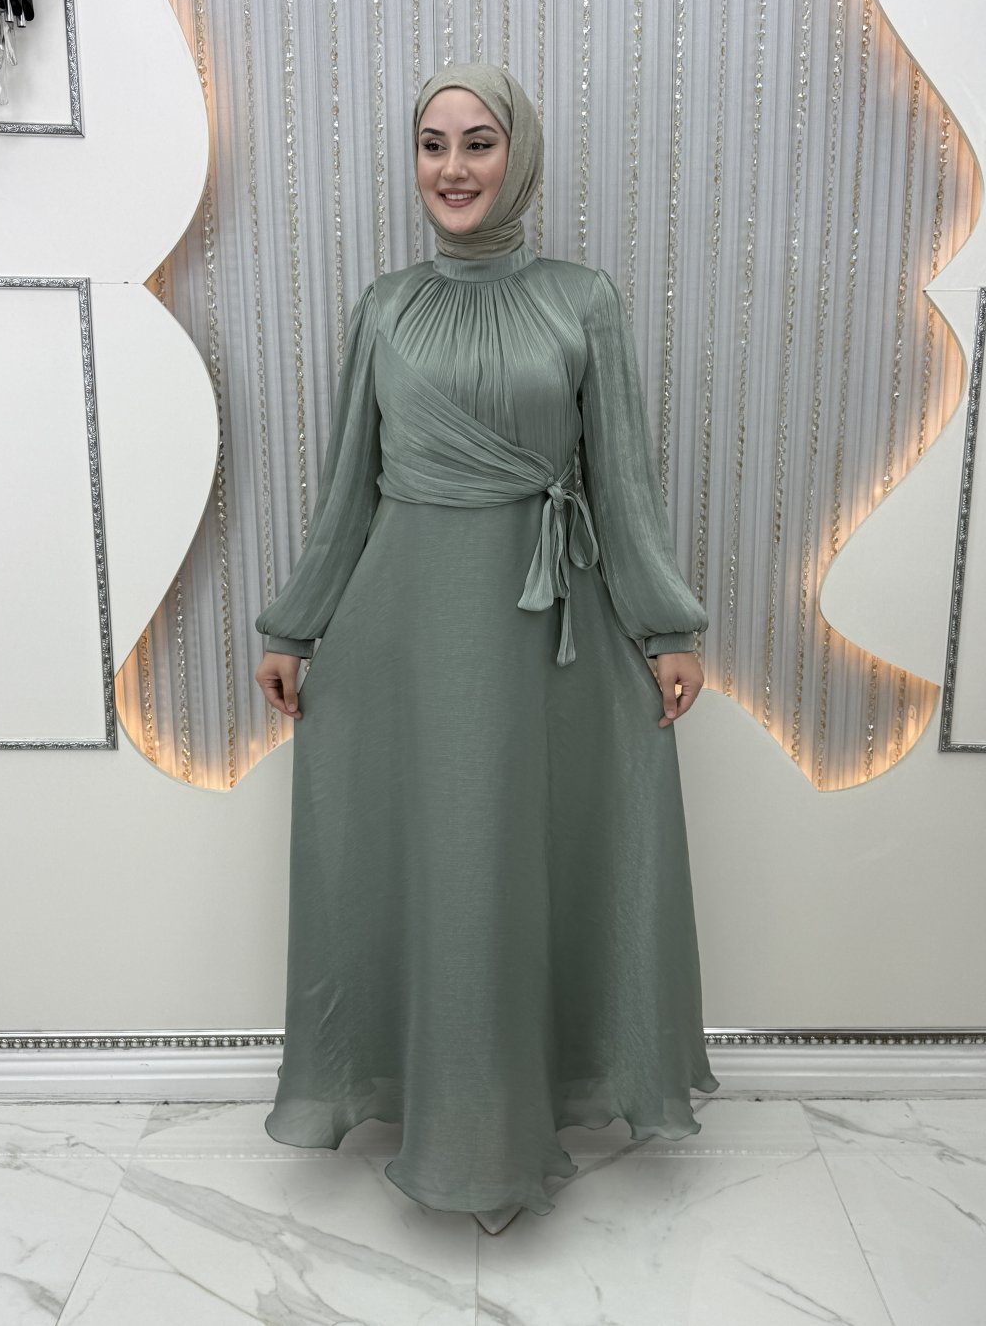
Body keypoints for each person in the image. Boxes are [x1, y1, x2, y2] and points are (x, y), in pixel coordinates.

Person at [254, 62, 720, 1237]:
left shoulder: (582, 299)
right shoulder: (383, 307)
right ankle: (444, 1120)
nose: (452, 168)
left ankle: (514, 1120)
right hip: (404, 639)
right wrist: (297, 622)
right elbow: (346, 490)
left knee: (519, 866)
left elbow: (622, 482)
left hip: (544, 638)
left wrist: (664, 624)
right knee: (439, 869)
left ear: (519, 155)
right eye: (432, 144)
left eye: (477, 142)